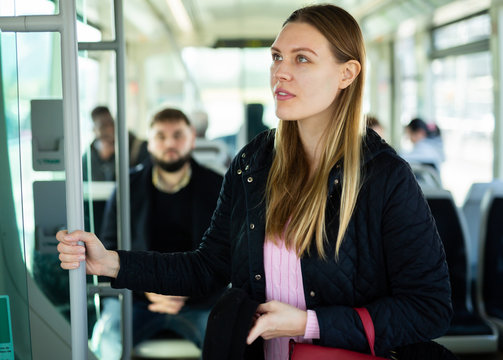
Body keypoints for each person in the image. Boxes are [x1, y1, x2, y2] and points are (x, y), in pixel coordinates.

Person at [57, 5, 452, 360]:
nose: (281, 71)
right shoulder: (253, 163)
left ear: (346, 74)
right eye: (277, 57)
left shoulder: (384, 177)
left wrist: (307, 324)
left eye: (302, 59)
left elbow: (428, 308)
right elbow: (207, 267)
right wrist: (112, 262)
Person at [90, 108, 224, 359]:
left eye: (177, 135)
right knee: (106, 337)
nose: (170, 143)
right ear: (149, 143)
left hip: (199, 300)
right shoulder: (127, 188)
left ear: (192, 138)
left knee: (231, 340)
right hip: (138, 299)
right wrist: (146, 287)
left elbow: (227, 257)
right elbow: (108, 247)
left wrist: (187, 290)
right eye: (161, 136)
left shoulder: (218, 187)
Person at [82, 106, 149, 181]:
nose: (110, 129)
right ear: (94, 130)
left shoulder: (138, 147)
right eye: (103, 126)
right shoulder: (87, 158)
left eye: (112, 123)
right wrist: (105, 159)